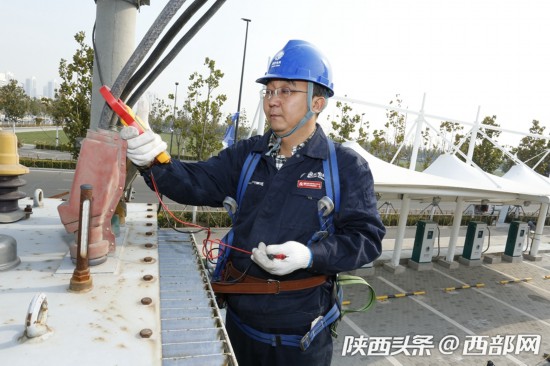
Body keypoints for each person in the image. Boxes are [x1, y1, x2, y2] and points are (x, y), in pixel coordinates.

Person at [121, 39, 386, 366]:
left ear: (318, 102)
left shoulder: (344, 166)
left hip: (301, 342)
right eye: (269, 91)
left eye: (286, 91)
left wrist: (308, 256)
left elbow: (366, 239)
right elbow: (196, 182)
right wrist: (153, 160)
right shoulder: (248, 156)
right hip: (240, 329)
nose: (273, 101)